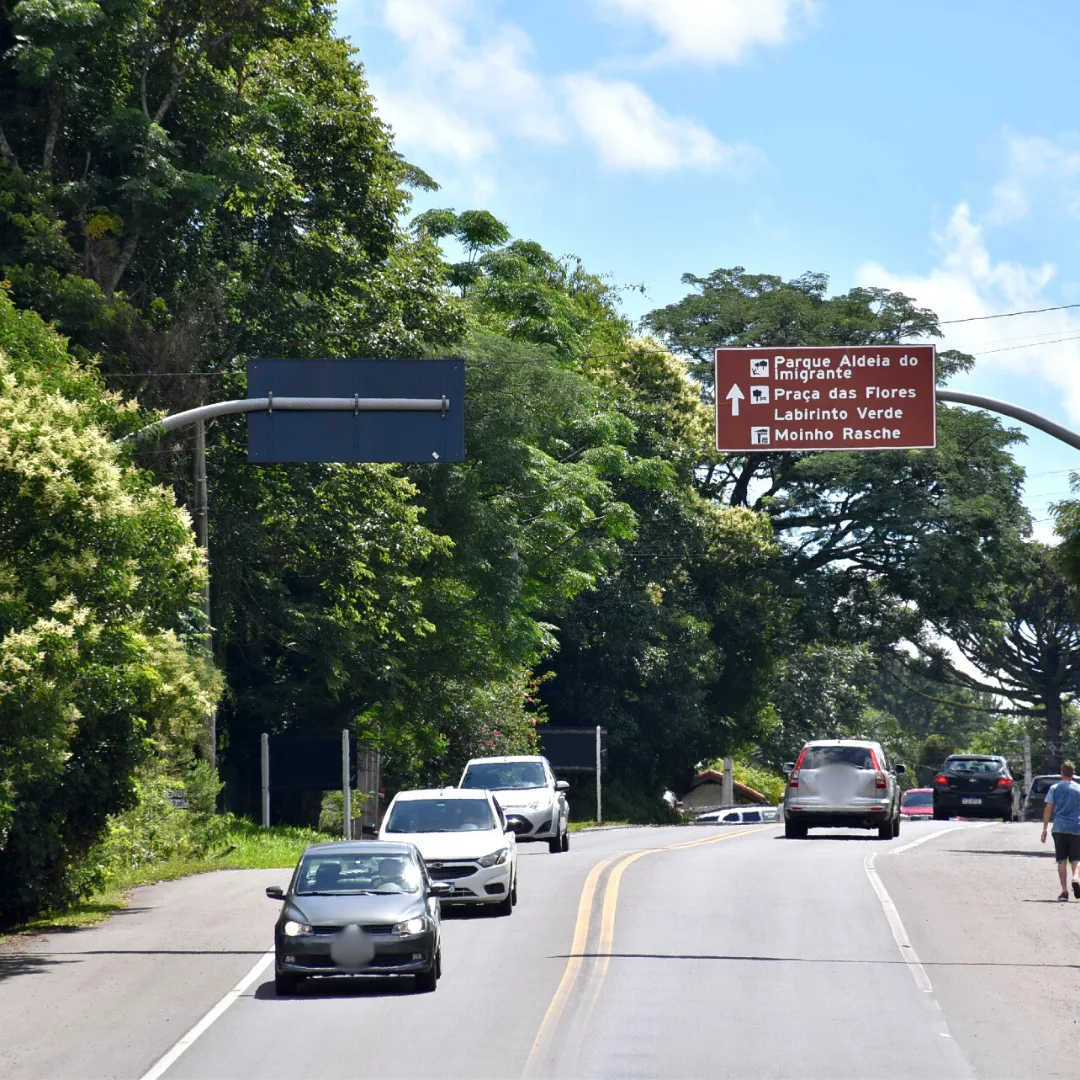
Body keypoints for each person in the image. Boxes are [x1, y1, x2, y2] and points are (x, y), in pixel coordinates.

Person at [1040, 761, 1080, 900]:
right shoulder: (1079, 789)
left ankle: (1064, 892)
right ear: (1073, 774)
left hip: (1059, 828)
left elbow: (1048, 809)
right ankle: (1076, 878)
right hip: (1077, 827)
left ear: (1061, 773)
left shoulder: (1054, 788)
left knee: (1061, 859)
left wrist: (1045, 828)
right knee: (1076, 858)